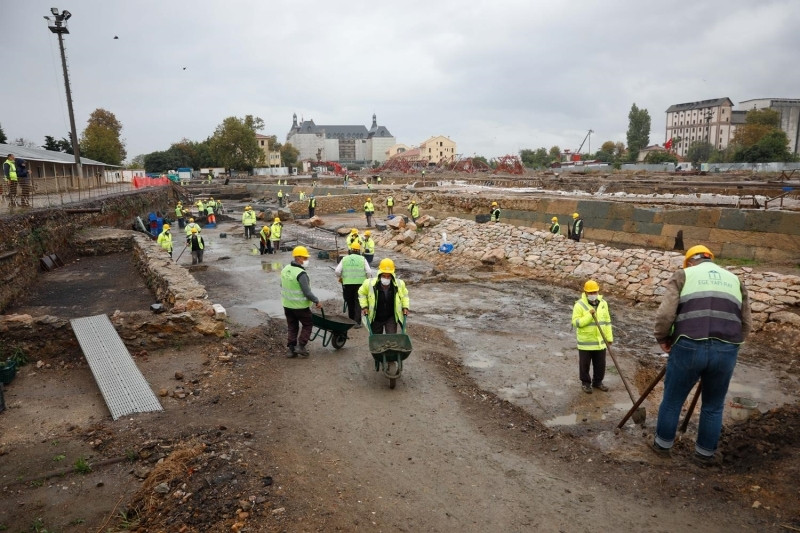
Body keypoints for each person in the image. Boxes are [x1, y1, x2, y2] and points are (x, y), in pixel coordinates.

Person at [651, 245, 751, 464]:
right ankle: (704, 454)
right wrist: (733, 345)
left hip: (689, 345)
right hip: (727, 348)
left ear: (689, 262)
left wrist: (663, 338)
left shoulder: (683, 275)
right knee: (713, 405)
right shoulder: (735, 280)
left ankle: (663, 446)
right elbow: (746, 322)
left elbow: (666, 314)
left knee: (672, 400)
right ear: (711, 259)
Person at [571, 279, 613, 394]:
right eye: (590, 293)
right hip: (586, 342)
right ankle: (585, 383)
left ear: (598, 291)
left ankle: (598, 382)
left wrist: (609, 338)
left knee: (600, 364)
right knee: (584, 365)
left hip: (600, 341)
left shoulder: (603, 304)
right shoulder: (579, 305)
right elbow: (576, 323)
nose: (592, 295)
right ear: (585, 292)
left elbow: (607, 321)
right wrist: (589, 315)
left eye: (594, 292)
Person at [281, 246, 322, 358]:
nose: (306, 260)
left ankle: (291, 350)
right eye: (304, 258)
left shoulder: (285, 269)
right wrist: (316, 301)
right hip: (300, 307)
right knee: (308, 324)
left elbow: (282, 285)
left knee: (292, 326)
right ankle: (301, 346)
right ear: (298, 258)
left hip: (287, 305)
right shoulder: (301, 273)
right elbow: (307, 292)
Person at [358, 258, 409, 336]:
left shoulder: (399, 284)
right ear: (380, 274)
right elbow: (361, 293)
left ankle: (390, 348)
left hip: (391, 317)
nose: (386, 278)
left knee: (391, 338)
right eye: (384, 276)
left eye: (389, 276)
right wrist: (364, 306)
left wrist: (405, 307)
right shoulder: (369, 284)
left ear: (392, 275)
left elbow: (405, 295)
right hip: (376, 317)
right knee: (377, 339)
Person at [334, 242, 372, 326]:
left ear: (350, 250)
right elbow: (369, 272)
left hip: (347, 284)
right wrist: (367, 279)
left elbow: (337, 271)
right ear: (359, 251)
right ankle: (357, 322)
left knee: (350, 302)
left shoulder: (345, 259)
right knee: (358, 302)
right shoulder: (363, 259)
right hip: (360, 284)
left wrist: (341, 277)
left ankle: (350, 321)